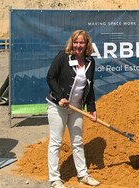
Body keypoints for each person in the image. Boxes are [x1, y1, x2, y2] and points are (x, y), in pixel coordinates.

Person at [46, 30, 100, 188]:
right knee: (56, 142)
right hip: (58, 107)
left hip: (77, 108)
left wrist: (92, 108)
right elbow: (50, 77)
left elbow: (90, 86)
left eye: (81, 42)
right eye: (76, 42)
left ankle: (82, 174)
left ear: (86, 44)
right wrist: (59, 97)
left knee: (77, 142)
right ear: (72, 43)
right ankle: (55, 179)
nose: (78, 45)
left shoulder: (90, 61)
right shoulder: (63, 56)